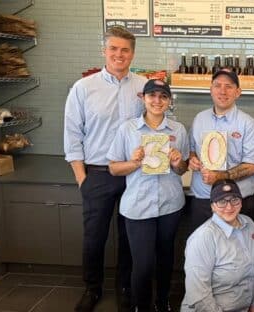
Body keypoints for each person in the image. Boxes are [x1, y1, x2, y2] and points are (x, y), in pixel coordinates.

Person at [64, 26, 147, 312]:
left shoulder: (143, 86)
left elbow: (156, 125)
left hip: (133, 174)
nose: (119, 54)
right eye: (113, 48)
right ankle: (92, 288)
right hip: (97, 174)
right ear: (104, 51)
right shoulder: (83, 88)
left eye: (125, 49)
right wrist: (81, 178)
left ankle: (125, 287)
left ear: (132, 53)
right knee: (94, 237)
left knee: (129, 236)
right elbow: (72, 135)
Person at [107, 79, 188, 312]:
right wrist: (134, 162)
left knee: (165, 261)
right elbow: (113, 168)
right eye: (152, 95)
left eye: (163, 96)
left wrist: (176, 162)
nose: (157, 101)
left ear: (169, 101)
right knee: (142, 265)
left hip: (170, 205)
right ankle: (140, 306)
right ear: (144, 98)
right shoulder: (128, 129)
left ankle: (162, 303)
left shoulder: (178, 130)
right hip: (138, 206)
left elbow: (182, 169)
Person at [188, 69, 254, 228]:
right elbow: (192, 150)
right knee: (203, 250)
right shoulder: (199, 119)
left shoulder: (247, 123)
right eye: (217, 85)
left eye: (229, 86)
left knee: (240, 250)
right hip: (204, 200)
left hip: (236, 202)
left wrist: (221, 176)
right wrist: (193, 159)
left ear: (238, 92)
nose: (222, 91)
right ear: (211, 89)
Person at [181, 179, 254, 311]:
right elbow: (199, 297)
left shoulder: (250, 226)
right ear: (212, 206)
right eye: (221, 201)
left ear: (241, 201)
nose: (229, 207)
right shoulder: (202, 238)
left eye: (234, 200)